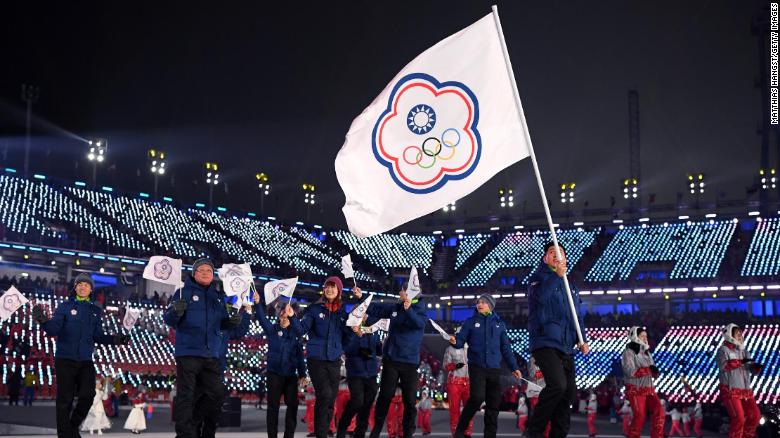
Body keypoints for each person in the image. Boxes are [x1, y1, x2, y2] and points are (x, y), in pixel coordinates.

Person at [33, 273, 129, 438]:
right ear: (75, 287)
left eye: (86, 284)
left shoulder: (95, 310)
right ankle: (65, 435)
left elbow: (98, 336)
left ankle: (72, 426)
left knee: (88, 395)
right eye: (79, 284)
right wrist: (43, 321)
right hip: (65, 359)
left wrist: (116, 339)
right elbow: (53, 329)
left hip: (85, 360)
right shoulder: (64, 306)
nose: (82, 287)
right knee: (65, 400)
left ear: (91, 289)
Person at [163, 258, 241, 438]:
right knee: (186, 396)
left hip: (210, 354)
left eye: (209, 270)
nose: (206, 273)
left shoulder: (217, 296)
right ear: (194, 273)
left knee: (218, 393)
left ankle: (194, 425)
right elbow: (169, 320)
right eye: (202, 270)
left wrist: (231, 322)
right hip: (188, 352)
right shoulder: (182, 292)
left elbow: (222, 324)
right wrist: (175, 311)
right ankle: (184, 435)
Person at [526, 242, 589, 438]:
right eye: (552, 252)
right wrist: (556, 276)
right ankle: (534, 431)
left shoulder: (571, 285)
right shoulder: (537, 279)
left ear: (565, 258)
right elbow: (541, 300)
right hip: (545, 342)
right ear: (545, 258)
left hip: (567, 346)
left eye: (560, 252)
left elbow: (577, 316)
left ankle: (558, 434)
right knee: (558, 385)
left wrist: (582, 339)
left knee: (568, 394)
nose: (556, 255)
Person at [290, 276, 359, 438]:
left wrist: (353, 331)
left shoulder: (343, 313)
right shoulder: (314, 310)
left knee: (329, 401)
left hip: (334, 360)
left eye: (333, 287)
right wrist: (292, 317)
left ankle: (324, 432)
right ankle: (321, 434)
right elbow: (301, 330)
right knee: (325, 394)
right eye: (327, 287)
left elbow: (347, 341)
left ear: (339, 291)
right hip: (317, 360)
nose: (329, 290)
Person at [449, 294, 523, 438]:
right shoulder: (470, 322)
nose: (479, 304)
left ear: (490, 305)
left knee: (493, 405)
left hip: (494, 369)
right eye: (478, 302)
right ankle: (460, 429)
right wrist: (454, 341)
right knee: (476, 398)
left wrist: (514, 368)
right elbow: (460, 341)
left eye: (483, 302)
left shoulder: (499, 324)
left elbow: (506, 348)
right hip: (477, 367)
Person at [363, 284, 426, 438]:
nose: (400, 292)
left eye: (403, 290)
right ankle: (376, 429)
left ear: (411, 294)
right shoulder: (395, 308)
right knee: (385, 396)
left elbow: (418, 324)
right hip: (392, 360)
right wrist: (361, 298)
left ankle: (407, 433)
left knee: (410, 401)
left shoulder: (421, 311)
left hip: (410, 363)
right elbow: (376, 309)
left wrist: (408, 309)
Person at [257, 299, 306, 438]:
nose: (284, 314)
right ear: (279, 314)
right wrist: (257, 303)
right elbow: (261, 317)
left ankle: (288, 436)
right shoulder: (272, 329)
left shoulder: (296, 334)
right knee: (273, 408)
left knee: (293, 406)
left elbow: (300, 357)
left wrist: (302, 374)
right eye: (282, 311)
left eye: (288, 312)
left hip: (290, 375)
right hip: (274, 374)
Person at [338, 316, 383, 438]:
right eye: (360, 313)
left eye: (365, 313)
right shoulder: (348, 328)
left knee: (367, 405)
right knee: (357, 401)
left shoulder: (372, 328)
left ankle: (360, 433)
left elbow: (377, 348)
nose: (364, 316)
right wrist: (357, 335)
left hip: (372, 372)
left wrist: (381, 346)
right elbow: (345, 348)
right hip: (356, 372)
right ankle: (342, 426)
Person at [716, 324, 762, 438]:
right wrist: (742, 361)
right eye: (737, 334)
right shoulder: (723, 350)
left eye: (741, 333)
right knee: (739, 418)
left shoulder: (744, 351)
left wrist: (756, 368)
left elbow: (750, 367)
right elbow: (724, 366)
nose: (740, 336)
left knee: (755, 416)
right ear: (729, 335)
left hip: (746, 391)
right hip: (730, 391)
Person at [621, 327, 664, 438]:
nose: (645, 338)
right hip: (635, 389)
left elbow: (652, 371)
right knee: (639, 416)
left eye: (646, 336)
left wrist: (655, 372)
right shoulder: (628, 352)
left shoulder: (647, 353)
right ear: (635, 337)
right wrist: (648, 369)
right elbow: (629, 371)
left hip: (649, 388)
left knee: (659, 411)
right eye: (642, 336)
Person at [443, 333, 473, 437]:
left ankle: (467, 433)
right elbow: (446, 366)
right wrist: (456, 365)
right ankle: (456, 433)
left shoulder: (471, 347)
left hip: (468, 382)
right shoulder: (450, 349)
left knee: (469, 409)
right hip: (454, 383)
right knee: (454, 410)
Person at [526, 356, 550, 438]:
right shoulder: (533, 359)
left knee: (548, 415)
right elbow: (533, 374)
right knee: (537, 415)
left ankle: (546, 434)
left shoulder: (552, 357)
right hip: (536, 391)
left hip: (547, 391)